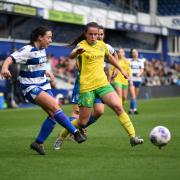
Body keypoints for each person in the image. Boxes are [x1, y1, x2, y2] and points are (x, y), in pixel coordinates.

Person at [54, 22, 144, 149]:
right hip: (87, 87)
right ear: (85, 34)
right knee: (82, 121)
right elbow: (71, 55)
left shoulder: (102, 45)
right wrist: (76, 52)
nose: (93, 37)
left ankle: (133, 137)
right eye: (90, 34)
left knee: (118, 106)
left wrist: (120, 69)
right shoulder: (82, 45)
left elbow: (110, 57)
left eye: (95, 34)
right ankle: (62, 136)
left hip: (102, 84)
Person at [0, 26, 86, 155]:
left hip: (44, 84)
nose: (50, 40)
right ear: (40, 37)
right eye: (49, 37)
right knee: (55, 106)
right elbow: (10, 58)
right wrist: (5, 68)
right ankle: (75, 132)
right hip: (31, 87)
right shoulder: (27, 50)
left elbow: (36, 66)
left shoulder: (43, 50)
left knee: (52, 116)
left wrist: (47, 72)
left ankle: (38, 142)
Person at [53, 25, 118, 150]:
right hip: (84, 81)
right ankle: (70, 133)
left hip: (99, 82)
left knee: (99, 111)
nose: (98, 36)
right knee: (77, 110)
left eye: (100, 34)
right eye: (95, 34)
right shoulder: (83, 44)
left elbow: (114, 56)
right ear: (88, 34)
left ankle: (79, 128)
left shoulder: (105, 46)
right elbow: (72, 55)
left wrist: (117, 68)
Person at [128, 49, 144, 114]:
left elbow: (142, 69)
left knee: (135, 96)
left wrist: (139, 73)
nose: (135, 53)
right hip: (131, 80)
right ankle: (134, 109)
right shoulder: (129, 61)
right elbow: (127, 69)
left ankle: (131, 109)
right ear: (132, 54)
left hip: (138, 80)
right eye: (133, 52)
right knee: (133, 95)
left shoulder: (140, 61)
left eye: (136, 52)